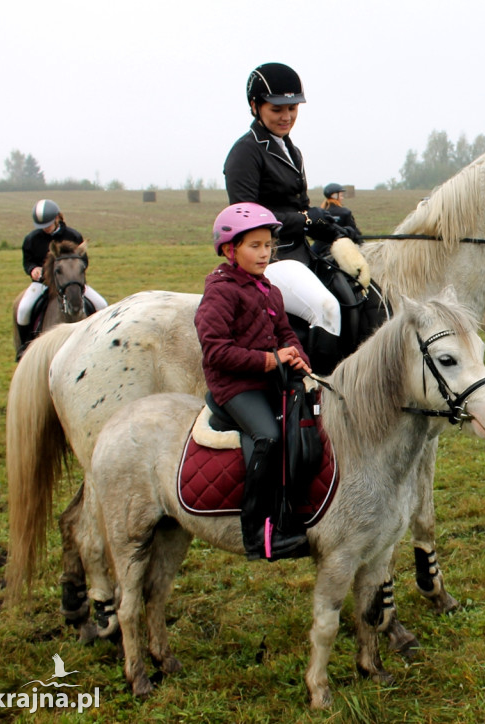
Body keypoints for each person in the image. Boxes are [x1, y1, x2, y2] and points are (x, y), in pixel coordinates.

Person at [223, 62, 370, 368]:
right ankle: (312, 388)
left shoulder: (291, 150)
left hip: (300, 253)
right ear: (255, 106)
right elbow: (246, 218)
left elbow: (301, 209)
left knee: (355, 294)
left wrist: (333, 229)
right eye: (277, 109)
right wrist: (305, 220)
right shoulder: (245, 153)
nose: (287, 116)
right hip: (267, 259)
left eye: (292, 108)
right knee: (326, 307)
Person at [194, 202, 313, 562]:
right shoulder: (220, 292)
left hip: (269, 380)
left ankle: (292, 514)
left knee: (303, 429)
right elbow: (215, 351)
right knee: (269, 437)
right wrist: (269, 360)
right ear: (231, 250)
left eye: (267, 246)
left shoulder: (269, 290)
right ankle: (256, 533)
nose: (264, 254)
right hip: (234, 386)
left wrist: (297, 357)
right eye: (254, 246)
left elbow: (286, 334)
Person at [15, 199, 108, 355]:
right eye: (41, 226)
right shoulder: (32, 239)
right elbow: (28, 261)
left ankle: (102, 343)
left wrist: (74, 274)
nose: (45, 228)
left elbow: (83, 260)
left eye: (48, 224)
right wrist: (33, 269)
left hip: (71, 283)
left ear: (57, 218)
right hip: (42, 284)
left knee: (102, 304)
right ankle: (25, 348)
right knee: (23, 309)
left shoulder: (73, 235)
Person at [319, 182, 361, 250]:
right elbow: (354, 231)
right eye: (341, 195)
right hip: (342, 246)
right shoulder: (345, 212)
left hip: (321, 245)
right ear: (334, 196)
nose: (342, 198)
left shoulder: (320, 212)